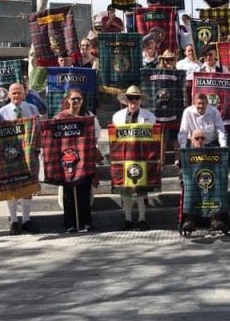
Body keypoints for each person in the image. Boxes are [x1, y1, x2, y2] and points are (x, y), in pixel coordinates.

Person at [54, 89, 102, 233]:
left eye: (79, 99)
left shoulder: (89, 116)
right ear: (67, 100)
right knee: (68, 192)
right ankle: (70, 224)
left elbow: (96, 136)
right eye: (73, 99)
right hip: (67, 158)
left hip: (84, 158)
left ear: (82, 100)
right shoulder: (59, 117)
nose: (76, 102)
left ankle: (86, 222)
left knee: (85, 191)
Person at [0, 82, 41, 235]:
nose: (16, 96)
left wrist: (37, 148)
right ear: (8, 95)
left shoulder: (33, 109)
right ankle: (14, 222)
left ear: (24, 94)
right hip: (11, 156)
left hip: (30, 156)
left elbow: (38, 131)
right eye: (13, 93)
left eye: (19, 93)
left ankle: (26, 220)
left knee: (28, 187)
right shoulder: (1, 113)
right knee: (12, 187)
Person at [111, 85, 156, 231]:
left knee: (141, 190)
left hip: (143, 156)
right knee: (126, 190)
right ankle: (128, 219)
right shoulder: (117, 116)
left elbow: (155, 139)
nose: (133, 101)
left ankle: (142, 219)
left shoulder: (149, 116)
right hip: (124, 157)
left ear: (140, 100)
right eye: (130, 98)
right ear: (126, 100)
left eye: (136, 98)